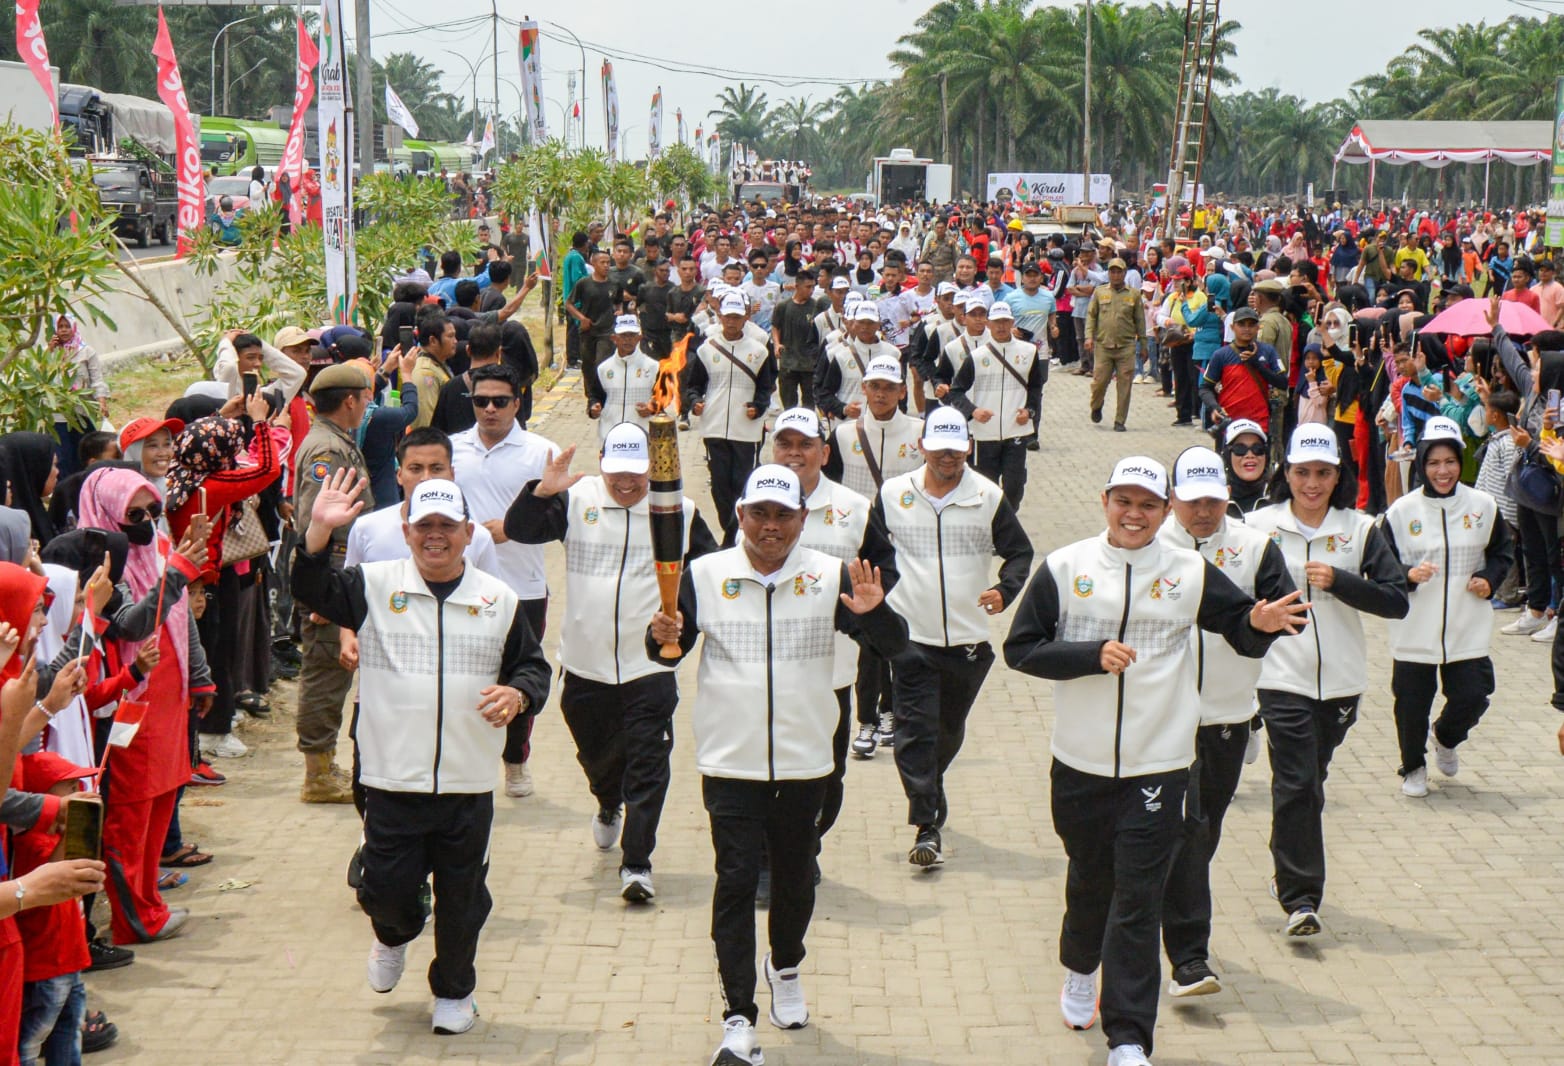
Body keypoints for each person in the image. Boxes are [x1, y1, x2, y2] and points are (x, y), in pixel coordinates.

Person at [1003, 456, 1304, 1066]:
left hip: (1161, 763)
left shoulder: (1190, 571)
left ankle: (1130, 1038)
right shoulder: (1066, 567)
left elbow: (1239, 626)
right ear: (1105, 501)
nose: (1134, 515)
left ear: (1165, 512)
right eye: (1124, 502)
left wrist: (1262, 622)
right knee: (1090, 880)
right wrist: (1090, 656)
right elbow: (1021, 649)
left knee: (1138, 897)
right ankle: (1080, 967)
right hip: (1080, 762)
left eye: (1147, 505)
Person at [647, 465, 908, 1066]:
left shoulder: (830, 575)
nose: (771, 527)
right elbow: (666, 649)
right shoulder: (704, 575)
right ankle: (738, 1015)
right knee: (735, 881)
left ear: (802, 519)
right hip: (729, 761)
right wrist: (659, 631)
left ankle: (785, 965)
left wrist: (873, 614)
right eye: (759, 514)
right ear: (740, 516)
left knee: (794, 879)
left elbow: (896, 649)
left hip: (805, 760)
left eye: (783, 515)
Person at [292, 471, 550, 1035]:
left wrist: (518, 692)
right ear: (406, 530)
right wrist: (316, 531)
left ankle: (455, 992)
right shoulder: (373, 584)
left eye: (448, 527)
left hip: (467, 783)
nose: (437, 536)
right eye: (425, 526)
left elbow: (533, 667)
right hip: (391, 778)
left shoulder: (497, 599)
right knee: (384, 890)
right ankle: (393, 934)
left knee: (463, 899)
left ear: (467, 533)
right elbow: (309, 588)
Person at [506, 424, 717, 901]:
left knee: (648, 764)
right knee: (598, 758)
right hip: (585, 664)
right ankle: (606, 802)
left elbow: (708, 575)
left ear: (651, 469)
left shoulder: (678, 511)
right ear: (602, 462)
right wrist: (541, 492)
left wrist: (681, 621)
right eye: (617, 473)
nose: (626, 484)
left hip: (649, 668)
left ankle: (637, 862)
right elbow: (520, 529)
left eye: (636, 475)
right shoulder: (576, 499)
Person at [1246, 425, 1409, 936]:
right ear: (1286, 472)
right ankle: (1301, 899)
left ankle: (1285, 862)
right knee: (1296, 781)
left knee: (1307, 784)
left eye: (1322, 473)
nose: (1311, 484)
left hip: (1340, 682)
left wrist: (1341, 581)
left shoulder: (1360, 529)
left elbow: (1396, 599)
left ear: (1338, 475)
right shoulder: (1256, 526)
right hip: (1278, 676)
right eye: (1301, 472)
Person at [1155, 447, 1297, 999]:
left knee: (1203, 834)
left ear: (1227, 498)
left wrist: (1263, 623)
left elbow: (1289, 618)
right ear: (1174, 500)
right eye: (1192, 502)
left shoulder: (1255, 547)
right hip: (1160, 721)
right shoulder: (1149, 545)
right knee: (1188, 834)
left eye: (1213, 500)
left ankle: (1161, 908)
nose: (1203, 512)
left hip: (1227, 719)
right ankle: (1190, 958)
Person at [871, 408, 1033, 867]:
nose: (948, 457)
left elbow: (1019, 552)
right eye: (939, 448)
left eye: (956, 449)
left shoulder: (987, 496)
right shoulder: (893, 494)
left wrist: (1005, 589)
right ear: (922, 446)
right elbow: (872, 551)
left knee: (947, 730)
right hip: (910, 637)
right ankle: (926, 825)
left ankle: (929, 785)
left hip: (967, 642)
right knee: (914, 730)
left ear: (968, 447)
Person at [75, 467, 213, 946]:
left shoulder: (156, 548)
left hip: (169, 695)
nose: (148, 520)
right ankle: (134, 917)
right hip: (132, 701)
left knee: (160, 803)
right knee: (130, 814)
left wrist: (199, 676)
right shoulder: (99, 567)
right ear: (109, 513)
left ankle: (148, 903)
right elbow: (132, 625)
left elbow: (181, 621)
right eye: (135, 513)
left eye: (153, 510)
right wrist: (174, 578)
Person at [1381, 417, 1512, 797]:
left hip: (1465, 621)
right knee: (1411, 703)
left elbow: (1502, 552)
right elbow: (1381, 564)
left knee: (1474, 693)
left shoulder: (1483, 506)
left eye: (1450, 462)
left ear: (1460, 462)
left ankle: (1446, 736)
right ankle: (1413, 766)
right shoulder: (1401, 512)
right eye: (1434, 462)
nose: (1443, 471)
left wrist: (1489, 578)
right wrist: (1407, 574)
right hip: (1415, 626)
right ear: (1421, 463)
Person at [450, 364, 558, 799]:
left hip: (522, 587)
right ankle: (463, 762)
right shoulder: (452, 450)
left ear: (518, 402)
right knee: (464, 678)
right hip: (460, 587)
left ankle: (516, 760)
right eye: (481, 401)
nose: (490, 409)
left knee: (518, 677)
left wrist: (513, 528)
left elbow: (557, 519)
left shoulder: (541, 452)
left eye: (500, 401)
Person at [290, 364, 375, 804]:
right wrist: (322, 587)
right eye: (364, 398)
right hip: (332, 575)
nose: (366, 405)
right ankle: (317, 774)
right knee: (325, 672)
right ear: (350, 401)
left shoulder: (334, 442)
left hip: (338, 573)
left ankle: (324, 765)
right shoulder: (328, 451)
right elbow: (313, 521)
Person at [683, 293, 777, 541]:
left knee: (742, 482)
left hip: (746, 429)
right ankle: (732, 531)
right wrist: (696, 403)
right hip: (714, 426)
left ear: (745, 317)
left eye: (737, 317)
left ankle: (735, 536)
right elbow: (693, 386)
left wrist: (757, 407)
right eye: (728, 316)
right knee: (719, 484)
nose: (732, 322)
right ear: (721, 316)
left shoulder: (758, 351)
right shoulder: (707, 349)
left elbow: (766, 387)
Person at [944, 301, 1043, 507]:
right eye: (997, 322)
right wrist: (973, 411)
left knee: (1014, 486)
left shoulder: (1029, 352)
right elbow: (956, 391)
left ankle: (1006, 522)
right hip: (983, 434)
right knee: (985, 486)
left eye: (1005, 321)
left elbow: (1035, 388)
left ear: (1012, 322)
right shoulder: (977, 357)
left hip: (1015, 430)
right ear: (989, 324)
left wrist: (1030, 411)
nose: (1001, 326)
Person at [1199, 307, 1287, 438]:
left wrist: (1257, 365)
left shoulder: (1268, 351)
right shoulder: (1221, 355)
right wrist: (1215, 408)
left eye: (1251, 325)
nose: (1247, 329)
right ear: (1232, 327)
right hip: (1229, 422)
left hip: (1259, 423)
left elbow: (1283, 383)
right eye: (1241, 324)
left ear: (1258, 327)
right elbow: (1205, 388)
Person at [1085, 259, 1147, 431]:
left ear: (1125, 273)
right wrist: (1088, 337)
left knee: (1125, 384)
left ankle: (1120, 420)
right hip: (1103, 345)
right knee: (1099, 382)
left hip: (1126, 346)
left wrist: (1143, 344)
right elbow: (1091, 316)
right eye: (1112, 272)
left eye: (1119, 271)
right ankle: (1096, 405)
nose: (1116, 275)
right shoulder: (1099, 292)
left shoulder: (1133, 295)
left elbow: (1140, 321)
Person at [46, 314, 110, 479]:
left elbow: (97, 380)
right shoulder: (51, 352)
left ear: (74, 327)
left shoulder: (87, 352)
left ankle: (90, 482)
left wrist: (102, 402)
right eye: (60, 327)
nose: (64, 330)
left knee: (85, 452)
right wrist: (49, 352)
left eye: (67, 326)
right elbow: (41, 377)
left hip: (82, 411)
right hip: (59, 414)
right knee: (63, 457)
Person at [587, 317, 662, 443]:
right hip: (610, 435)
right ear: (614, 338)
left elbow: (663, 398)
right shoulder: (604, 368)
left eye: (632, 335)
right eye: (623, 336)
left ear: (639, 338)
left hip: (643, 436)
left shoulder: (653, 367)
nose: (628, 340)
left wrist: (651, 408)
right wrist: (593, 408)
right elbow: (595, 395)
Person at [772, 269, 824, 411]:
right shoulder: (784, 306)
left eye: (813, 287)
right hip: (788, 361)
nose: (811, 290)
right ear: (797, 286)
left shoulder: (815, 307)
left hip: (810, 363)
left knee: (809, 404)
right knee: (789, 404)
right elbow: (775, 327)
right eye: (808, 287)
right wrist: (777, 344)